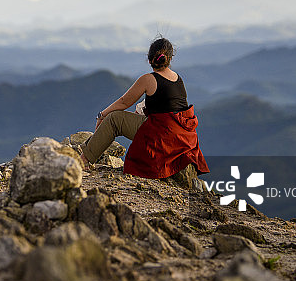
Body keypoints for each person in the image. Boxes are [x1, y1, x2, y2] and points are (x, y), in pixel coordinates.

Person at [78, 37, 209, 179]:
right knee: (137, 112)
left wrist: (101, 115)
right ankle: (86, 152)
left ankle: (82, 161)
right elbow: (169, 108)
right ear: (170, 58)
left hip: (162, 137)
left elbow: (123, 102)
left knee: (114, 119)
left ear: (149, 59)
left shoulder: (148, 79)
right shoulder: (178, 78)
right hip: (182, 138)